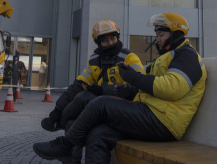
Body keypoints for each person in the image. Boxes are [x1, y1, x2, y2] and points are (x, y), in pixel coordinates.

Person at [33, 13, 207, 164]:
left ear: (176, 34)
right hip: (151, 114)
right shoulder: (166, 57)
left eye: (161, 35)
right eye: (157, 35)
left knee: (101, 104)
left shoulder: (187, 55)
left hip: (165, 121)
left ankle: (65, 145)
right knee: (97, 134)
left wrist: (134, 78)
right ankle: (64, 136)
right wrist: (132, 90)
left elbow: (172, 88)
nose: (158, 39)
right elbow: (150, 86)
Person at [40, 20, 144, 163]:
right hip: (100, 109)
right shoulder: (94, 59)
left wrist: (102, 90)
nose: (111, 43)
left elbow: (135, 87)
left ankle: (58, 124)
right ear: (98, 42)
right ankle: (68, 153)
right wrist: (57, 109)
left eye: (113, 38)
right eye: (105, 40)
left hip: (123, 109)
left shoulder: (129, 58)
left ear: (118, 37)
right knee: (73, 121)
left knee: (85, 98)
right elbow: (78, 84)